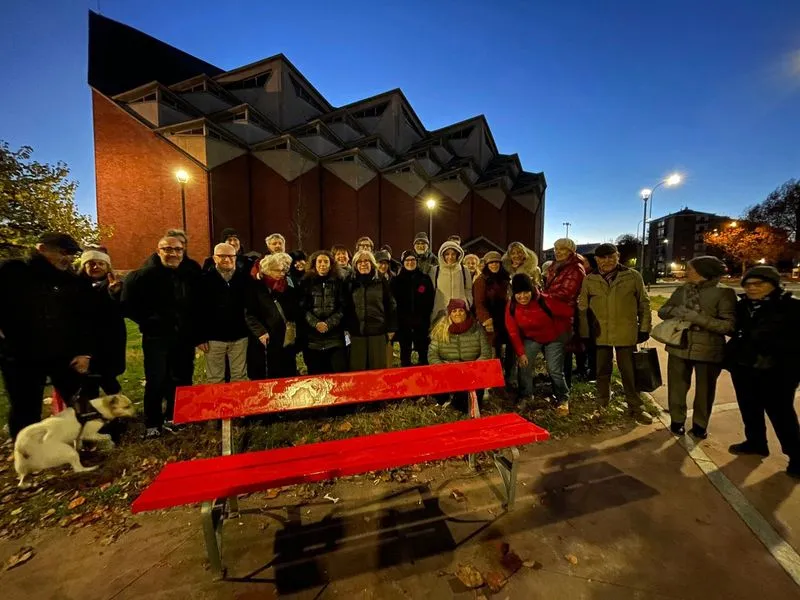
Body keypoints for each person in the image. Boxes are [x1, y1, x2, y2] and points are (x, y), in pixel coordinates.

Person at [0, 233, 94, 440]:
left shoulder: (71, 281)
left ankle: (91, 437)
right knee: (25, 407)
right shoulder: (12, 271)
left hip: (64, 353)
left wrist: (84, 353)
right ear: (41, 248)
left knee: (80, 399)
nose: (68, 258)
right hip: (21, 354)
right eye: (63, 252)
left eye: (72, 254)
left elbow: (84, 319)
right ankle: (28, 448)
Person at [725, 266, 800, 478]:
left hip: (778, 372)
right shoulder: (743, 306)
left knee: (781, 415)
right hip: (745, 367)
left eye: (759, 284)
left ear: (773, 284)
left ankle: (796, 457)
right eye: (748, 284)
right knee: (749, 408)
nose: (752, 288)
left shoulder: (792, 307)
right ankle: (756, 442)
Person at [123, 235, 200, 438]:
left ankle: (177, 417)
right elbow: (127, 304)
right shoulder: (143, 275)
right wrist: (149, 320)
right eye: (168, 249)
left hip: (184, 336)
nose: (173, 253)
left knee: (183, 377)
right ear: (159, 251)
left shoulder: (190, 274)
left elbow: (198, 303)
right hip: (156, 337)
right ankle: (153, 422)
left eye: (178, 249)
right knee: (156, 379)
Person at [658, 256, 736, 438]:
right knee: (676, 387)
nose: (687, 272)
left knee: (705, 390)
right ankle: (677, 421)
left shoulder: (724, 293)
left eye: (691, 269)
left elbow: (729, 326)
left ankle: (700, 425)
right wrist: (675, 311)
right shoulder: (682, 290)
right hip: (678, 345)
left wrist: (697, 318)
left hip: (708, 350)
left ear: (703, 272)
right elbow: (663, 311)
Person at [578, 243, 652, 425]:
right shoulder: (590, 279)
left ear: (617, 256)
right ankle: (602, 404)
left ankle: (636, 406)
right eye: (602, 258)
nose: (607, 261)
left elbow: (644, 303)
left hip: (626, 332)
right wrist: (585, 333)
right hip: (600, 334)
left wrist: (644, 328)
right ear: (597, 260)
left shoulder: (632, 276)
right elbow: (583, 308)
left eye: (611, 256)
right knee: (601, 371)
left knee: (630, 372)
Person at [505, 274, 574, 412]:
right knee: (524, 364)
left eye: (526, 292)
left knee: (554, 369)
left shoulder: (545, 300)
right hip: (532, 337)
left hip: (554, 336)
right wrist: (521, 353)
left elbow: (568, 312)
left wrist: (567, 333)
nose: (522, 296)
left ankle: (562, 397)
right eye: (518, 293)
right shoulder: (511, 306)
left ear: (531, 290)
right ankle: (526, 395)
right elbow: (513, 331)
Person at [196, 243, 250, 384]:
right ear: (214, 258)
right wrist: (200, 337)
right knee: (215, 379)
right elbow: (197, 311)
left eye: (230, 256)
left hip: (240, 337)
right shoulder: (204, 280)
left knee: (240, 377)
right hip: (213, 338)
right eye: (222, 256)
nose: (227, 259)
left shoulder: (244, 278)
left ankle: (238, 399)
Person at [78, 248, 126, 401]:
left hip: (110, 340)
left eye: (100, 263)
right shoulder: (76, 286)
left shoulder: (115, 284)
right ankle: (90, 411)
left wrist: (115, 294)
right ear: (84, 266)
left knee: (108, 377)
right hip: (84, 340)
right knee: (87, 381)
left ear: (107, 266)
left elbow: (125, 308)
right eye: (91, 263)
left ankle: (118, 408)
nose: (96, 267)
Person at [428, 299, 491, 411]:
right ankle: (446, 399)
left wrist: (472, 368)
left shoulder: (477, 329)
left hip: (471, 371)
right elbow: (432, 354)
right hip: (448, 369)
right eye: (454, 311)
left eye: (461, 310)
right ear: (449, 314)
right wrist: (444, 368)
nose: (457, 313)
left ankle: (461, 400)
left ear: (466, 312)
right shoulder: (441, 330)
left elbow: (485, 353)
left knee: (465, 407)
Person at [245, 252, 300, 378]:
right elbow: (249, 314)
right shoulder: (256, 287)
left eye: (283, 270)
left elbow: (295, 310)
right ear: (268, 270)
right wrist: (260, 332)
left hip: (286, 337)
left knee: (287, 372)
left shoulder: (288, 286)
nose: (282, 273)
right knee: (267, 373)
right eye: (278, 270)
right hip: (265, 338)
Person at [543, 239, 586, 386]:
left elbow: (566, 293)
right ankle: (557, 383)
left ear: (571, 251)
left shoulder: (575, 268)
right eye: (556, 249)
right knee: (557, 350)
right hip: (553, 312)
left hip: (566, 314)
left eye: (562, 249)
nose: (558, 252)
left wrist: (542, 297)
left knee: (565, 350)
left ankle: (564, 385)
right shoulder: (557, 266)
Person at [346, 251, 398, 371]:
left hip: (378, 332)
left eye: (366, 261)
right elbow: (346, 306)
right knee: (358, 370)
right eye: (359, 262)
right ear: (355, 265)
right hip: (357, 333)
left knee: (377, 369)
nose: (363, 264)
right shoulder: (350, 282)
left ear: (372, 263)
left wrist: (392, 327)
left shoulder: (381, 280)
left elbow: (391, 304)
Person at [301, 250, 349, 374]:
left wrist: (328, 324)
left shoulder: (339, 281)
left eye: (326, 262)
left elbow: (343, 307)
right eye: (320, 261)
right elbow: (302, 308)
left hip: (335, 338)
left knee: (338, 374)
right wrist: (316, 323)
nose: (322, 264)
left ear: (331, 264)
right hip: (313, 339)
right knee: (316, 376)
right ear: (314, 264)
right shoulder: (306, 282)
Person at [391, 251, 435, 366]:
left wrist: (424, 316)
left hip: (421, 322)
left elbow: (430, 299)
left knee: (423, 351)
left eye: (412, 260)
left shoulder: (424, 279)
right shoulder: (396, 281)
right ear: (403, 262)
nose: (410, 262)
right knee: (405, 352)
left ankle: (424, 372)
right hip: (403, 323)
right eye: (407, 260)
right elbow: (393, 302)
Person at [473, 251, 513, 376]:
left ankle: (508, 377)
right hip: (491, 319)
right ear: (486, 264)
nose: (494, 265)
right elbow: (479, 303)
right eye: (491, 263)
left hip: (505, 318)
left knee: (509, 349)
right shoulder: (481, 280)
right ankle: (494, 378)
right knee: (493, 350)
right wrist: (486, 320)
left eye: (496, 262)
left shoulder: (505, 279)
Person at [430, 240, 473, 321]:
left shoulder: (464, 270)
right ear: (442, 255)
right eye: (447, 254)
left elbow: (468, 289)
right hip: (440, 313)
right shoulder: (435, 271)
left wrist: (467, 302)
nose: (450, 257)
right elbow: (430, 290)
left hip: (459, 313)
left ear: (458, 255)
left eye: (453, 254)